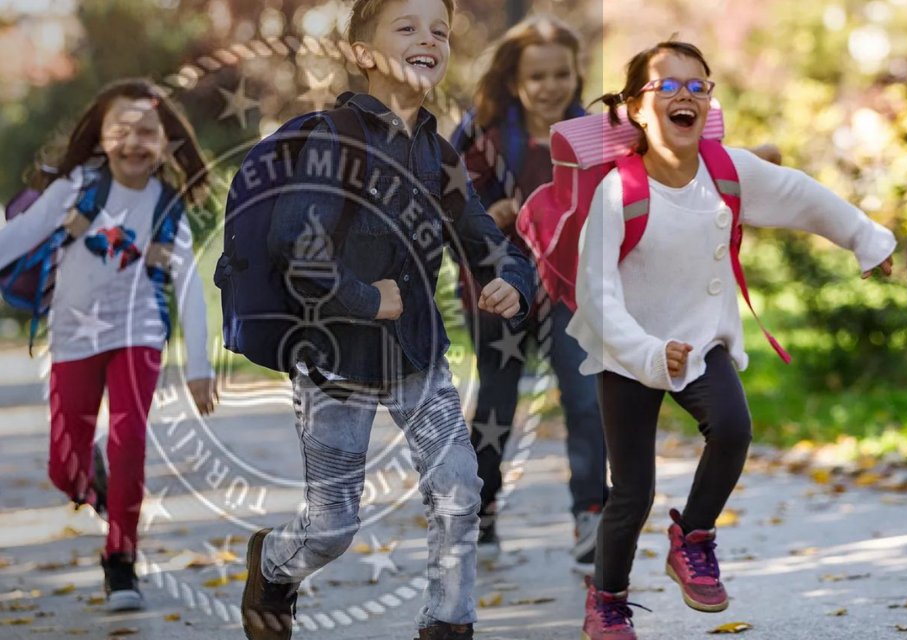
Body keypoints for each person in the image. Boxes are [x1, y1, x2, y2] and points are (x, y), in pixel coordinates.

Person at [568, 40, 896, 639]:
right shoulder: (618, 193)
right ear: (636, 108)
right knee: (632, 493)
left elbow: (802, 196)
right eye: (668, 85)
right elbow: (597, 295)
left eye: (699, 85)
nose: (686, 95)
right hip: (628, 351)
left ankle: (692, 537)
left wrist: (866, 240)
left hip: (700, 342)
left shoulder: (728, 172)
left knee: (734, 428)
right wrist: (647, 352)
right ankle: (607, 600)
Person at [236, 1, 535, 639]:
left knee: (460, 487)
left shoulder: (440, 154)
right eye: (407, 27)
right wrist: (364, 299)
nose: (428, 39)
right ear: (362, 53)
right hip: (335, 361)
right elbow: (295, 243)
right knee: (332, 527)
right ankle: (273, 563)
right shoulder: (334, 139)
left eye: (439, 31)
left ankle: (449, 625)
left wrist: (511, 280)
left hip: (418, 357)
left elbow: (487, 241)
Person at [0, 79, 217, 611]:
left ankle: (121, 560)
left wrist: (199, 366)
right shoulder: (75, 188)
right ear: (100, 137)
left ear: (165, 141)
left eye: (147, 131)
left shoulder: (167, 207)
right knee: (63, 469)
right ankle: (98, 488)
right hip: (73, 339)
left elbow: (190, 287)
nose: (134, 142)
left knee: (129, 444)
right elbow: (18, 236)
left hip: (138, 336)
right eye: (121, 130)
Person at [449, 15, 608, 567]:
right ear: (515, 79)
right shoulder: (485, 136)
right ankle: (482, 509)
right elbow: (452, 210)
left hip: (570, 289)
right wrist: (492, 215)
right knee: (497, 402)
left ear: (577, 74)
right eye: (537, 76)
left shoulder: (593, 134)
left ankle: (591, 513)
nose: (550, 86)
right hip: (500, 288)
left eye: (561, 74)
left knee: (585, 398)